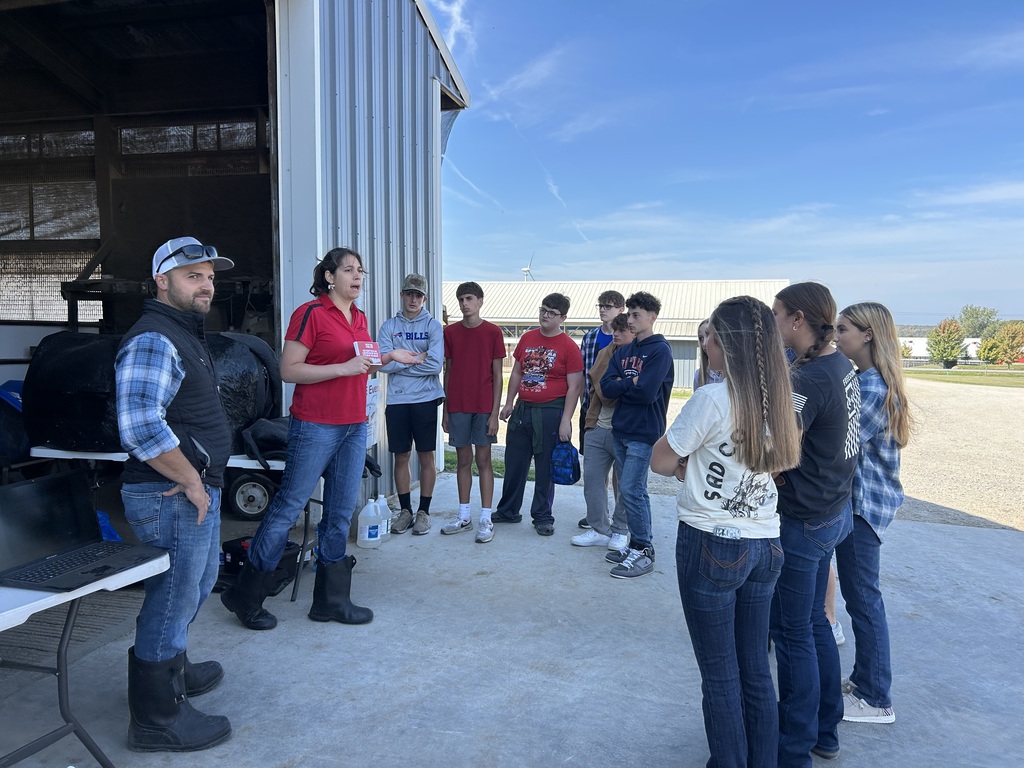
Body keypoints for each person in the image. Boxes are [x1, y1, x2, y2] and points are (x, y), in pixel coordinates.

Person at [221, 247, 419, 631]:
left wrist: (390, 355)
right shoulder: (310, 314)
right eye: (349, 270)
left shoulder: (359, 317)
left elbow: (364, 360)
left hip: (352, 426)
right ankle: (244, 596)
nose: (357, 276)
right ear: (329, 276)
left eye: (360, 270)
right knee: (287, 508)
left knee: (341, 511)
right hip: (314, 426)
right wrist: (343, 367)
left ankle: (330, 601)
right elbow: (289, 370)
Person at [651, 295, 802, 768]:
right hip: (765, 544)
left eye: (711, 334)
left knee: (719, 675)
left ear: (726, 344)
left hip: (712, 543)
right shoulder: (780, 401)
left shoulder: (712, 398)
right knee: (755, 667)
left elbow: (661, 459)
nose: (706, 343)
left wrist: (685, 464)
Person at [116, 236, 235, 752]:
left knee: (197, 583)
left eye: (209, 276)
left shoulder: (182, 331)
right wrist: (189, 479)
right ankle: (156, 719)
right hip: (169, 494)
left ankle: (174, 669)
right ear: (162, 281)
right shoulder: (153, 338)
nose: (206, 284)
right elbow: (140, 425)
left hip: (190, 489)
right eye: (193, 276)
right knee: (171, 599)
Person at [769, 281, 860, 766]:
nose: (776, 322)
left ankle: (795, 746)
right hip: (831, 509)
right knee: (813, 622)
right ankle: (825, 728)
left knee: (792, 633)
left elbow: (781, 450)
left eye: (778, 315)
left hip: (804, 517)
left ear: (798, 319)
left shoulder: (807, 379)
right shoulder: (837, 363)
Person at [834, 301, 910, 725]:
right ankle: (865, 678)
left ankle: (876, 697)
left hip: (862, 507)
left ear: (867, 335)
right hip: (861, 504)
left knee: (863, 600)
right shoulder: (866, 380)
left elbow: (838, 439)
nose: (836, 335)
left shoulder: (873, 388)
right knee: (860, 597)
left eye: (843, 329)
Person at [492, 293, 584, 536]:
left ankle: (543, 516)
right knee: (514, 462)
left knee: (545, 467)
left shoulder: (569, 347)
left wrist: (566, 421)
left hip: (551, 412)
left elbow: (575, 387)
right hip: (523, 410)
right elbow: (517, 373)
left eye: (551, 312)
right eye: (543, 309)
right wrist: (509, 402)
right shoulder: (527, 338)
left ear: (563, 317)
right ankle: (508, 510)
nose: (545, 315)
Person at [600, 291, 674, 579]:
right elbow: (606, 386)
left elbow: (647, 393)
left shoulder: (660, 350)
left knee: (632, 489)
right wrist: (631, 381)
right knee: (629, 490)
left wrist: (625, 382)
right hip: (621, 428)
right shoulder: (624, 351)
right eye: (628, 314)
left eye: (635, 315)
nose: (629, 320)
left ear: (652, 317)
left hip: (644, 432)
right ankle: (634, 544)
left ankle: (644, 549)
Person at [377, 273, 445, 536]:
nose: (413, 299)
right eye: (409, 294)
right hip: (397, 400)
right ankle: (405, 510)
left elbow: (435, 364)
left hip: (425, 399)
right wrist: (419, 358)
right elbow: (384, 364)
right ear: (402, 295)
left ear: (424, 298)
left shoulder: (433, 326)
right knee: (401, 455)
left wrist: (401, 363)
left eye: (418, 295)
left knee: (425, 456)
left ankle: (423, 512)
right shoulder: (389, 326)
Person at [441, 281, 506, 544]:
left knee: (484, 460)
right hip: (457, 406)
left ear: (480, 301)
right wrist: (446, 409)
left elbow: (498, 376)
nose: (464, 304)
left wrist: (494, 413)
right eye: (461, 299)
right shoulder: (452, 333)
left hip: (483, 407)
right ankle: (464, 515)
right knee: (463, 461)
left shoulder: (492, 332)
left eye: (469, 298)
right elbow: (448, 370)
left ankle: (486, 518)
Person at [571, 312, 632, 551]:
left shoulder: (639, 356)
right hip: (597, 423)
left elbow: (628, 389)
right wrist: (622, 384)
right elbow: (602, 388)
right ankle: (599, 529)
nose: (615, 334)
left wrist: (616, 385)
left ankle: (620, 531)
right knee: (593, 481)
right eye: (615, 329)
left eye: (621, 330)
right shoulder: (605, 353)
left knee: (625, 483)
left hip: (625, 429)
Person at [577, 290, 625, 529]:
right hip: (591, 408)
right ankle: (598, 515)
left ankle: (620, 518)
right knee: (595, 468)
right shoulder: (591, 337)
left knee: (620, 471)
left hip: (619, 413)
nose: (603, 310)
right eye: (601, 306)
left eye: (608, 306)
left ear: (621, 310)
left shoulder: (627, 338)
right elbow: (583, 374)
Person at [692, 318, 724, 390]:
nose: (704, 343)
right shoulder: (699, 375)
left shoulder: (733, 373)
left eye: (708, 335)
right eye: (701, 338)